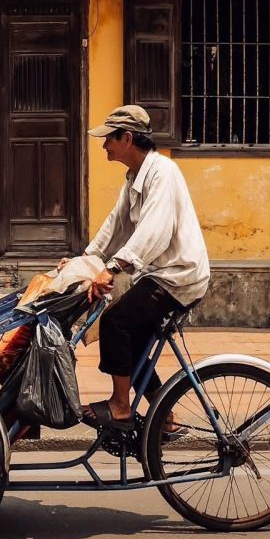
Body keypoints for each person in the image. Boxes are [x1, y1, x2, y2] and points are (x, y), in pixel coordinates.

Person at [63, 104, 210, 434]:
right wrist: (83, 261)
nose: (104, 146)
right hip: (159, 274)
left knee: (116, 322)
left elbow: (152, 232)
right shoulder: (134, 179)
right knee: (135, 345)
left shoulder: (163, 173)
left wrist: (112, 269)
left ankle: (119, 405)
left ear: (127, 138)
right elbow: (114, 227)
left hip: (179, 276)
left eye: (109, 140)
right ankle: (166, 417)